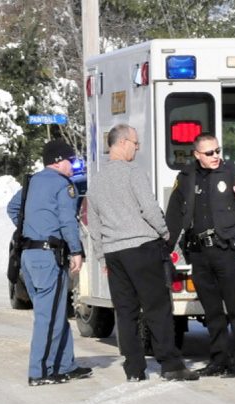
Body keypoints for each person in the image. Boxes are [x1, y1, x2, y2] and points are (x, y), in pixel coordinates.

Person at [86, 124, 198, 382]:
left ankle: (134, 369)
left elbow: (94, 224)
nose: (137, 149)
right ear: (123, 143)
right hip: (142, 248)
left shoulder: (97, 182)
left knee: (125, 313)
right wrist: (165, 232)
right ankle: (171, 364)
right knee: (157, 308)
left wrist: (103, 256)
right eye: (135, 144)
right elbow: (148, 207)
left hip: (115, 253)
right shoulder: (133, 173)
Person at [166, 133, 235, 378]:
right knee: (212, 312)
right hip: (198, 252)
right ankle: (219, 359)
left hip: (224, 249)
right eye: (209, 153)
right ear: (197, 155)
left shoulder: (231, 171)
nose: (216, 156)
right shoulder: (186, 177)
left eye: (217, 151)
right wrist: (165, 247)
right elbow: (174, 214)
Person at [7, 139, 92, 386]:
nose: (73, 165)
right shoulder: (62, 185)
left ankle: (65, 365)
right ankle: (41, 371)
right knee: (48, 316)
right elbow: (67, 220)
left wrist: (31, 228)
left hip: (29, 257)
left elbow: (13, 208)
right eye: (71, 161)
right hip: (49, 257)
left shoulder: (32, 182)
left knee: (54, 313)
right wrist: (76, 250)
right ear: (58, 161)